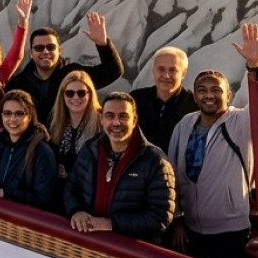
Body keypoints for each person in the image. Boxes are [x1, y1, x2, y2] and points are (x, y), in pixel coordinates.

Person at [166, 23, 258, 258]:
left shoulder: (240, 122)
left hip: (229, 230)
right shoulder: (185, 124)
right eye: (202, 90)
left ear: (228, 96)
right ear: (195, 96)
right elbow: (172, 173)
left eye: (216, 90)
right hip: (190, 227)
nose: (208, 95)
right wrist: (177, 219)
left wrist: (255, 66)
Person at [65, 92, 176, 242]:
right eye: (110, 116)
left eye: (123, 116)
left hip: (128, 249)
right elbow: (71, 186)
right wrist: (76, 210)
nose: (116, 123)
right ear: (101, 119)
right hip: (89, 242)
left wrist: (111, 224)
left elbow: (160, 217)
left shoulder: (155, 161)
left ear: (134, 120)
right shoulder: (90, 150)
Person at [5, 13, 125, 123]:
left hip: (69, 137)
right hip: (34, 138)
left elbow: (113, 71)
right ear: (31, 53)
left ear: (59, 50)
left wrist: (103, 44)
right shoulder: (19, 83)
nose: (45, 52)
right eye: (39, 48)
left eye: (51, 47)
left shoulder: (73, 75)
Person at [0, 90, 58, 210]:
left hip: (19, 217)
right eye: (7, 113)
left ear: (29, 117)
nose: (12, 119)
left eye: (19, 114)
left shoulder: (42, 152)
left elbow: (43, 198)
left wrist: (5, 193)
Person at [131, 47, 196, 154]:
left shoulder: (194, 105)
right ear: (153, 71)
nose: (166, 76)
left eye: (173, 70)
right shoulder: (135, 100)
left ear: (183, 73)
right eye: (161, 69)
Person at [48, 71, 103, 181]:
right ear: (62, 96)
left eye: (81, 93)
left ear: (90, 95)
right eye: (70, 93)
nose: (76, 97)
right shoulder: (55, 123)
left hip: (89, 186)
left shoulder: (102, 123)